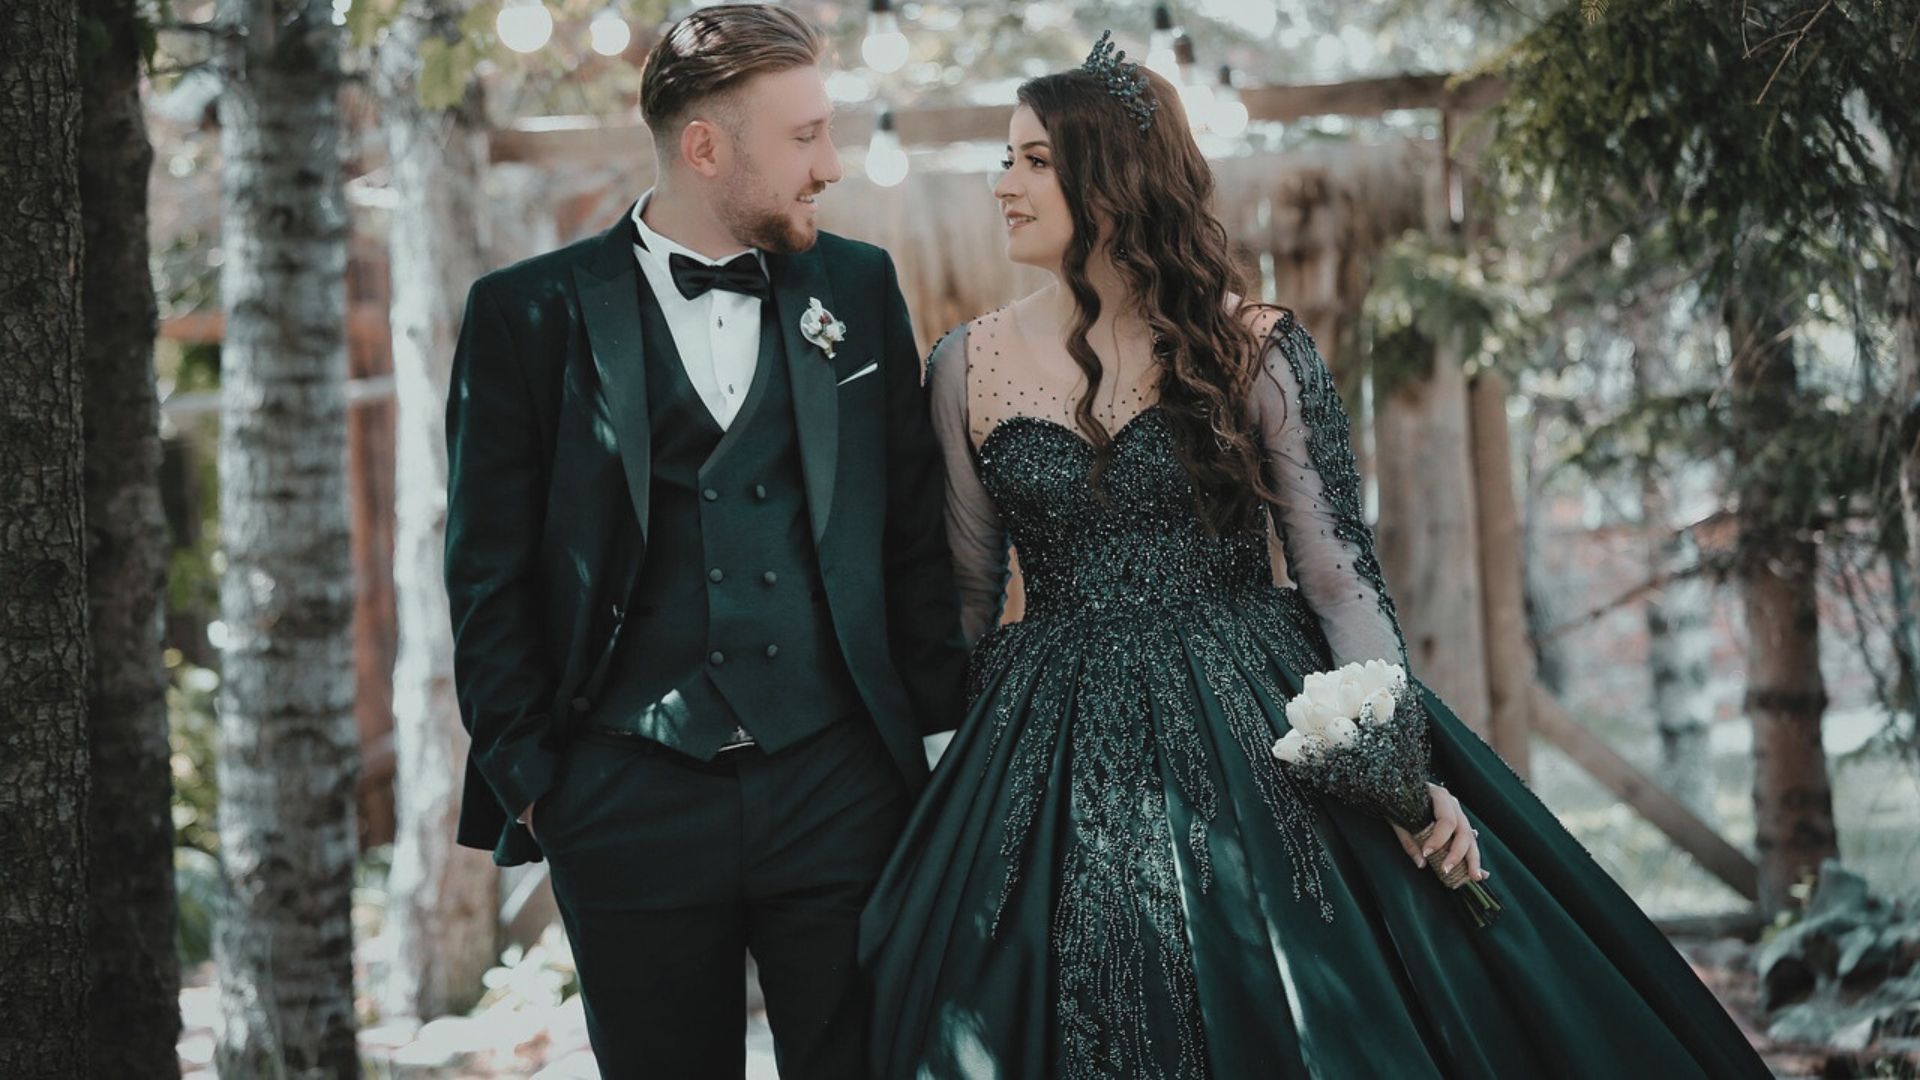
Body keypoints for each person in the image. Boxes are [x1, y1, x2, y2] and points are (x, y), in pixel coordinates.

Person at [858, 34, 1774, 1079]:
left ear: (1107, 183)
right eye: (1003, 158)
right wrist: (959, 800)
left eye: (1029, 160)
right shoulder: (964, 365)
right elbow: (969, 595)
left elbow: (1333, 566)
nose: (1001, 185)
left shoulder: (1250, 345)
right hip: (1050, 725)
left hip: (1250, 705)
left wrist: (1399, 770)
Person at [442, 5, 967, 1075]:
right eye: (805, 136)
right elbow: (486, 571)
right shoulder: (527, 315)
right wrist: (542, 784)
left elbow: (912, 535)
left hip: (839, 788)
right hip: (625, 796)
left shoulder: (857, 289)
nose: (829, 164)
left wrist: (934, 749)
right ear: (706, 146)